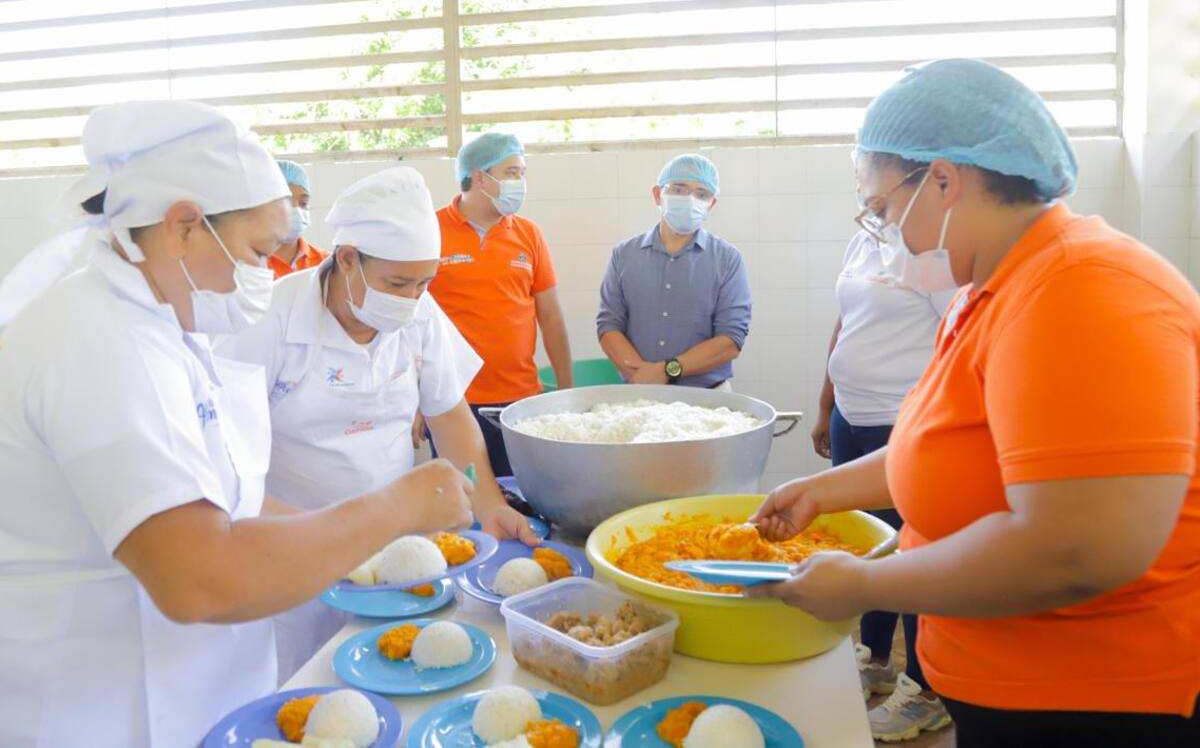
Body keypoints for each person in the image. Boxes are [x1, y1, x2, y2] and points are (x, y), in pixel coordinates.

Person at [749, 60, 1200, 748]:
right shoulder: (990, 289)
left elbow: (1075, 551)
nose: (886, 234)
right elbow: (950, 447)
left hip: (1096, 703)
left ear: (942, 180)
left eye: (882, 210)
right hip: (1006, 688)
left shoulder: (1084, 289)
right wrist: (821, 491)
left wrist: (866, 585)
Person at [0, 101, 476, 748]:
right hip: (102, 713)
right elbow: (198, 579)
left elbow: (234, 499)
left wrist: (360, 550)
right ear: (183, 226)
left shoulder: (169, 325)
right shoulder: (98, 341)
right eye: (257, 251)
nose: (265, 272)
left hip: (195, 697)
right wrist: (394, 510)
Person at [218, 164, 538, 680]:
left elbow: (448, 412)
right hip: (293, 549)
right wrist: (329, 542)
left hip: (399, 549)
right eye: (397, 282)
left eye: (424, 283)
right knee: (308, 679)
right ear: (347, 259)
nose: (411, 299)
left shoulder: (418, 312)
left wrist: (489, 504)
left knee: (398, 667)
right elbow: (231, 468)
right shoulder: (268, 320)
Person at [813, 221, 956, 741]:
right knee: (868, 544)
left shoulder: (935, 250)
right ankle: (875, 658)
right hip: (851, 415)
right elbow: (846, 322)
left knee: (912, 552)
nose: (868, 200)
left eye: (876, 190)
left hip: (903, 422)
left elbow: (957, 340)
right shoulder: (864, 238)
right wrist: (826, 403)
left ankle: (926, 691)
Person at [426, 132, 572, 476]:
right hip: (452, 400)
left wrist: (567, 393)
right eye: (511, 172)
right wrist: (415, 401)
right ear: (480, 177)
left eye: (522, 173)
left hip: (520, 399)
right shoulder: (430, 230)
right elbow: (410, 324)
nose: (520, 182)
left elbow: (551, 317)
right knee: (461, 496)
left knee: (520, 493)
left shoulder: (528, 234)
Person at [597, 153, 751, 389]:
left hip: (708, 397)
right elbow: (609, 326)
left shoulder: (728, 259)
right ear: (657, 195)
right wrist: (643, 377)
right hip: (639, 391)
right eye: (679, 189)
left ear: (711, 204)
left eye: (701, 194)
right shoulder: (624, 255)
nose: (690, 199)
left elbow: (731, 340)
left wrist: (667, 370)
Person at [269, 159, 328, 278]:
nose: (297, 211)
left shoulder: (325, 263)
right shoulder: (249, 265)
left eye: (303, 203)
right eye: (286, 203)